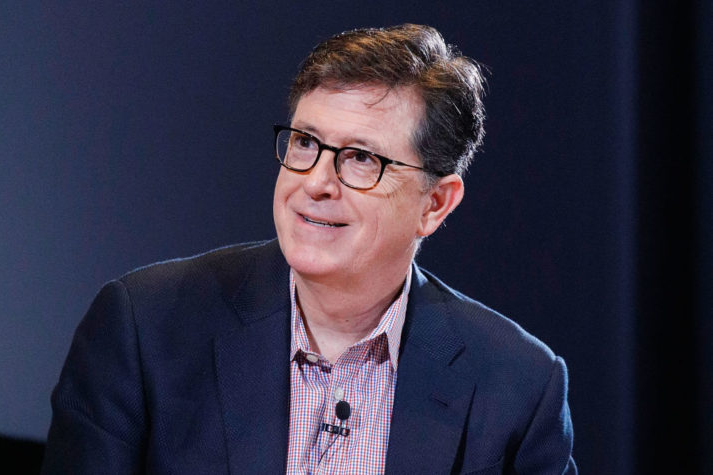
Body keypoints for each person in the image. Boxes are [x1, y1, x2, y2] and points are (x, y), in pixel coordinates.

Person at [42, 24, 576, 474]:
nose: (316, 182)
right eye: (305, 143)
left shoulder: (518, 386)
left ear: (434, 204)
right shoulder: (145, 327)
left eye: (361, 158)